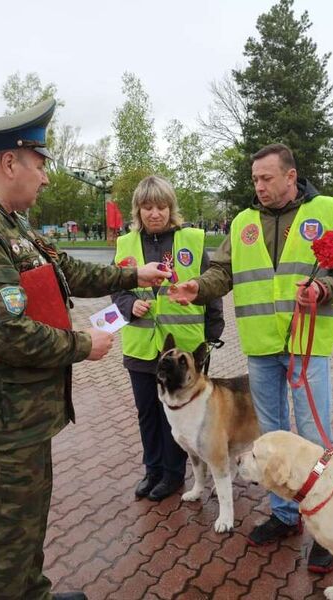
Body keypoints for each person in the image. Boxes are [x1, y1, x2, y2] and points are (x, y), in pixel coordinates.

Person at [0, 99, 170, 600]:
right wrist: (82, 344)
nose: (47, 177)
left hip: (16, 411)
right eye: (40, 164)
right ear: (10, 162)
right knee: (1, 546)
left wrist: (133, 275)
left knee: (26, 525)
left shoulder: (6, 220)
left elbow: (65, 271)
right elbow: (3, 331)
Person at [169, 143, 333, 574]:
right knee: (269, 436)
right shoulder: (243, 222)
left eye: (267, 178)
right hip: (260, 347)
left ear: (290, 177)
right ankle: (284, 514)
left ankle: (327, 529)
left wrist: (324, 289)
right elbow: (222, 272)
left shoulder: (325, 212)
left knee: (313, 436)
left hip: (307, 345)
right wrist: (197, 288)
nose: (258, 186)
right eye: (255, 179)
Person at [112, 175, 224, 501]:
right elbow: (116, 287)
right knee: (148, 411)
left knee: (177, 414)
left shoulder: (193, 240)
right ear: (138, 210)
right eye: (148, 207)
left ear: (171, 208)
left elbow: (211, 288)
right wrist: (129, 305)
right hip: (141, 346)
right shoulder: (125, 244)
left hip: (184, 350)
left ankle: (173, 474)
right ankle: (153, 470)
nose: (155, 213)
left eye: (161, 206)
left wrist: (212, 334)